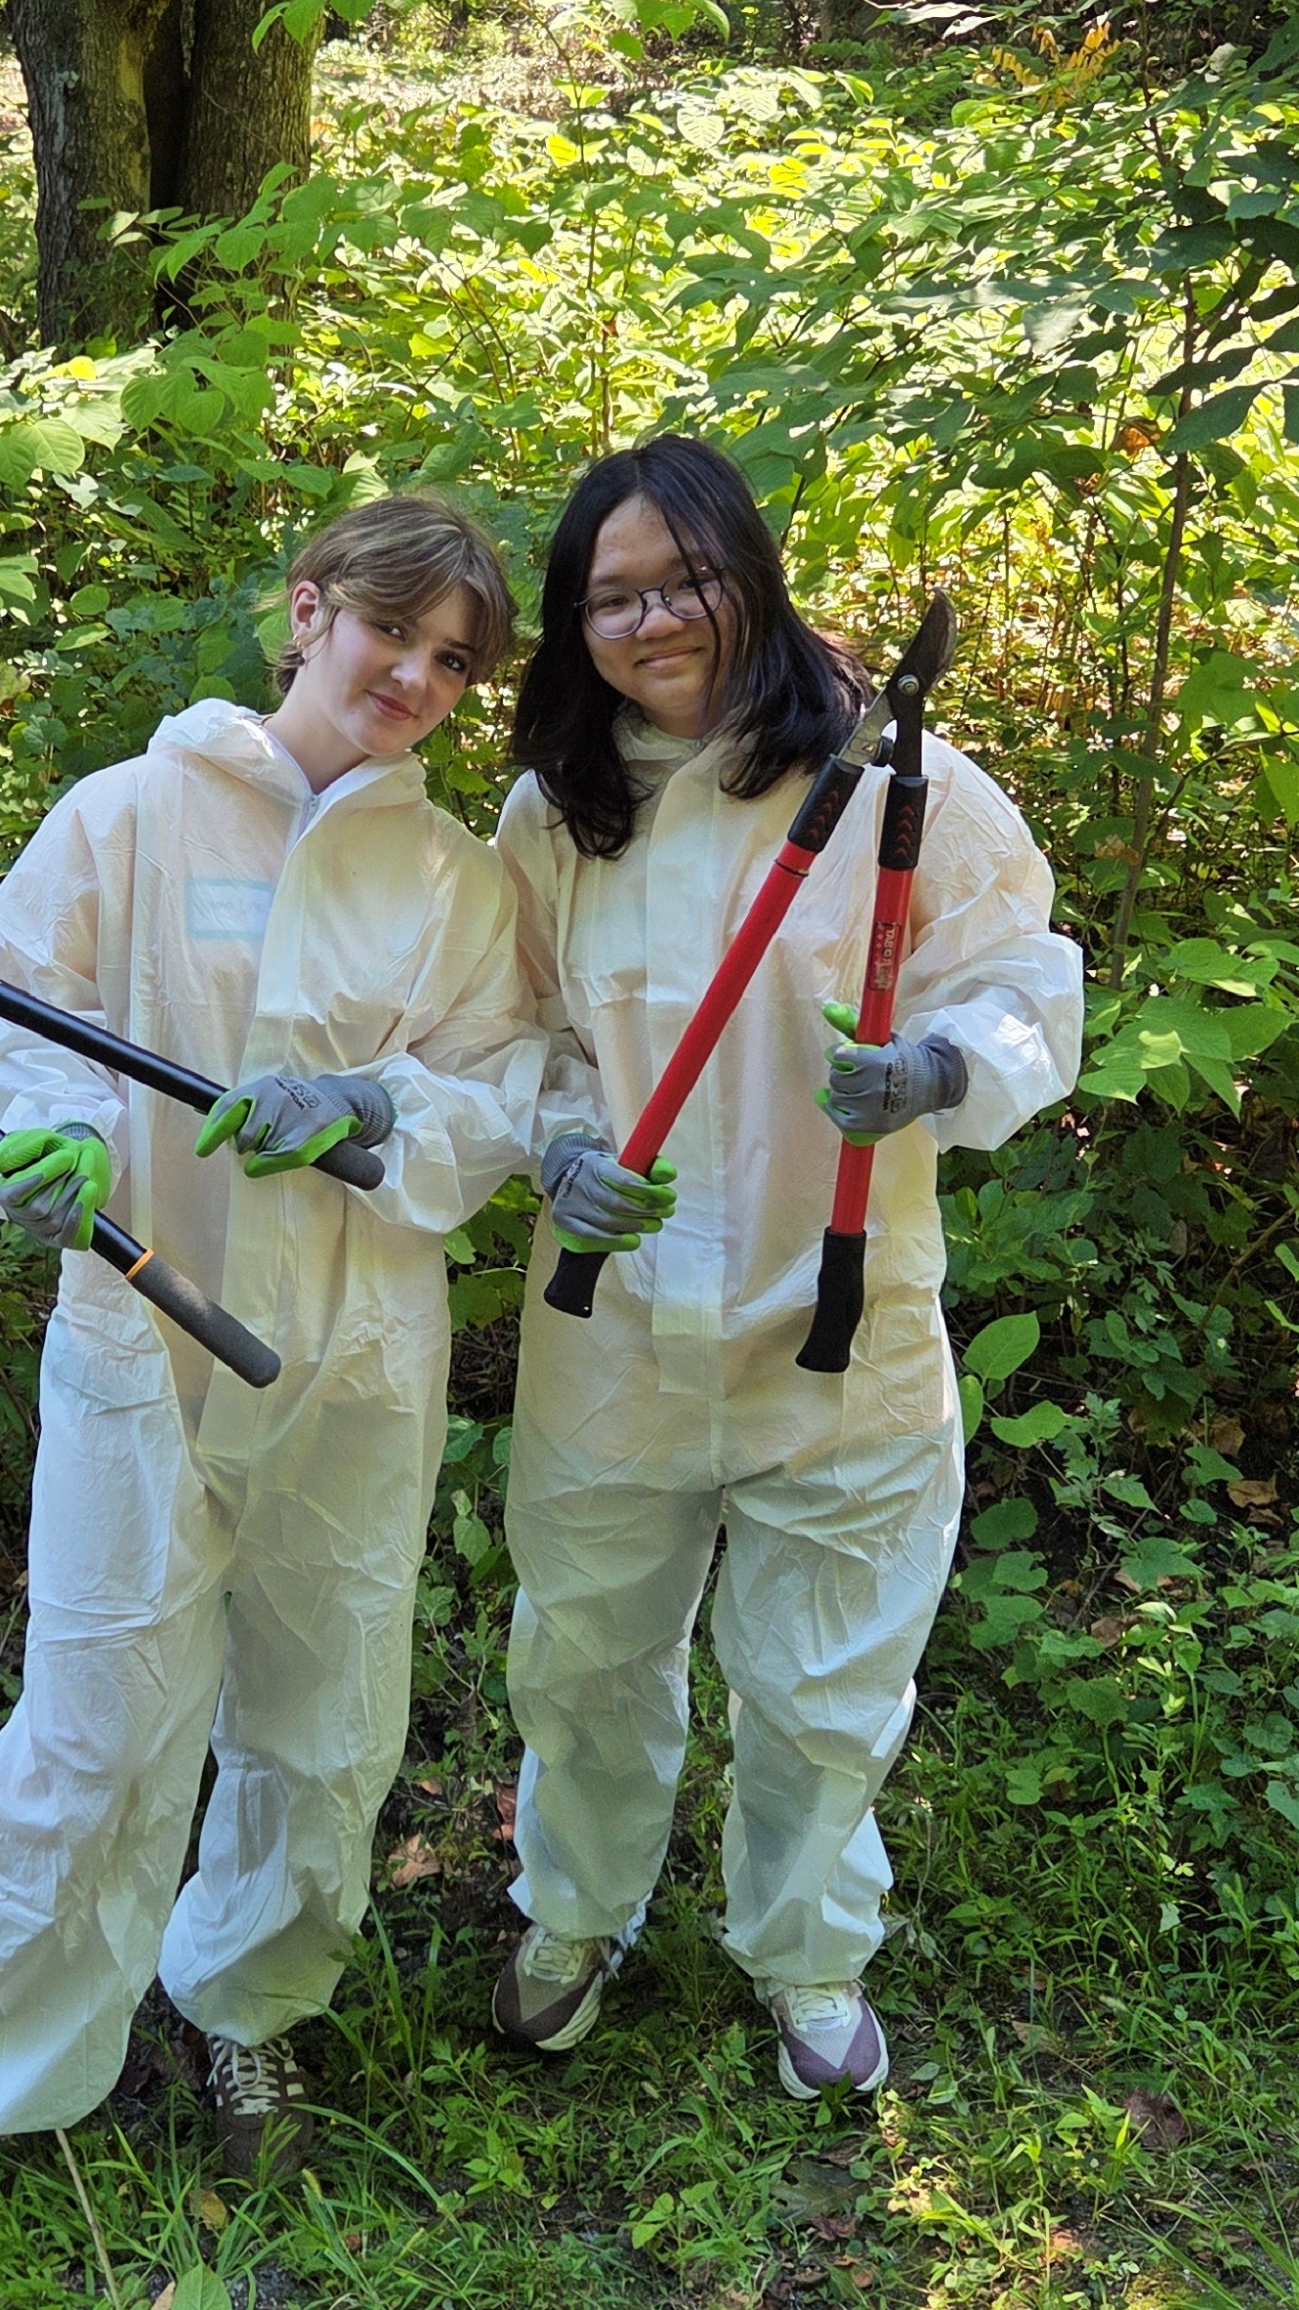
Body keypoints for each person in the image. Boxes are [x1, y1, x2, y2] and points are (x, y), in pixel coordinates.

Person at [0, 495, 543, 2257]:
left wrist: (381, 1107)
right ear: (307, 611)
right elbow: (13, 1025)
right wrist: (51, 1144)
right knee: (93, 1728)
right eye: (393, 630)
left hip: (357, 1362)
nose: (417, 675)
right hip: (141, 1344)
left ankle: (244, 2008)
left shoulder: (459, 881)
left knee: (325, 1723)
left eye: (457, 660)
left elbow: (514, 1086)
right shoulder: (129, 815)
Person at [488, 436, 1083, 2099]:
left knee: (829, 1669)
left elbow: (1021, 970)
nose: (653, 617)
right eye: (613, 595)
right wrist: (555, 1144)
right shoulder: (555, 814)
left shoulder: (901, 782)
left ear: (747, 576)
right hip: (611, 1316)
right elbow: (505, 1031)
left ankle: (808, 1949)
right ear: (572, 621)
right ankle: (574, 1910)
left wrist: (946, 1070)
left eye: (684, 579)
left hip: (844, 1306)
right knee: (587, 1642)